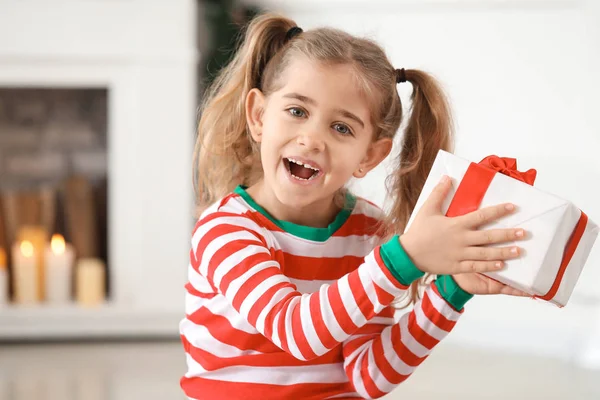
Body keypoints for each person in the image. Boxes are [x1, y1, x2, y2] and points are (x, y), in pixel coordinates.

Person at [180, 12, 527, 400]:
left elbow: (369, 377)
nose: (312, 139)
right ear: (259, 116)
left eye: (341, 128)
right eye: (297, 112)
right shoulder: (225, 230)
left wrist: (452, 290)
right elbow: (296, 331)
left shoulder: (367, 229)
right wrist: (405, 257)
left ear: (371, 155)